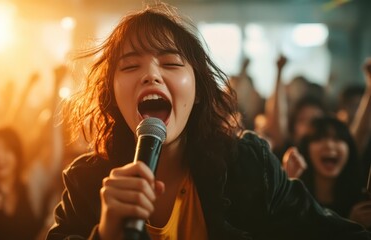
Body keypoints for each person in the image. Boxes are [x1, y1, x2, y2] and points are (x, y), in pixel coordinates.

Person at [47, 3, 370, 240]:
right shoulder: (86, 182)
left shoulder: (248, 165)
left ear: (199, 90)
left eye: (171, 63)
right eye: (130, 67)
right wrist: (103, 235)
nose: (151, 75)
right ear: (112, 95)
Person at [296, 116, 371, 228]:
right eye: (319, 138)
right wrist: (351, 226)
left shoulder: (360, 201)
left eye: (338, 139)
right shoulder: (296, 199)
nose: (329, 145)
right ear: (306, 149)